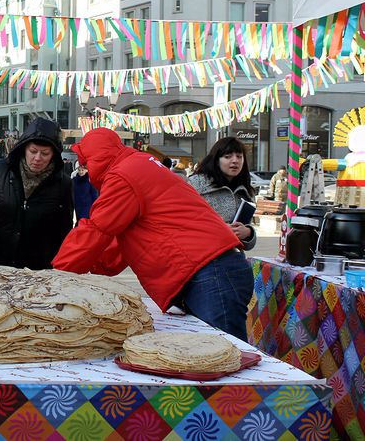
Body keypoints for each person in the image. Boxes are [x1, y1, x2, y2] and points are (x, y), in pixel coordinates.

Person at [52, 128, 251, 341]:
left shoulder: (123, 175)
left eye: (85, 163)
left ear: (96, 158)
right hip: (212, 269)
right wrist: (94, 265)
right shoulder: (138, 165)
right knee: (213, 351)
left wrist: (57, 277)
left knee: (223, 352)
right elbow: (119, 245)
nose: (85, 170)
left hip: (209, 272)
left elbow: (96, 229)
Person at [0, 118, 73, 270]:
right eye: (33, 151)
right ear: (24, 148)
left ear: (53, 154)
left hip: (38, 270)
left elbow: (64, 232)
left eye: (45, 153)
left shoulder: (63, 184)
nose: (37, 158)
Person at [188, 137, 257, 251]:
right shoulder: (196, 183)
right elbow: (182, 222)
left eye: (239, 156)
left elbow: (247, 244)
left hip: (233, 257)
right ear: (216, 160)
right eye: (227, 156)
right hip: (201, 255)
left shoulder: (246, 190)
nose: (235, 161)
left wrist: (248, 233)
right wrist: (219, 230)